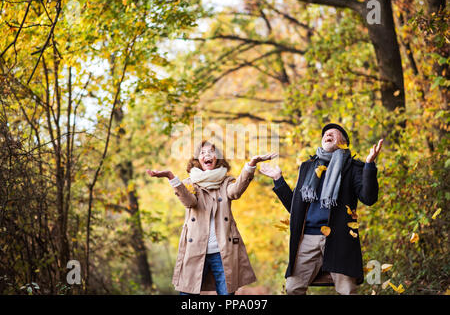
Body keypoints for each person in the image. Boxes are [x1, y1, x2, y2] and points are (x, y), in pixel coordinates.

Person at [260, 123, 383, 295]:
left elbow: (369, 198)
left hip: (339, 237)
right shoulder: (308, 167)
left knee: (347, 290)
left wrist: (369, 165)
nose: (328, 134)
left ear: (344, 142)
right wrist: (278, 180)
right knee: (292, 288)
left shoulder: (353, 167)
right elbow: (295, 208)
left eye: (333, 133)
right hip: (308, 237)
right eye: (325, 133)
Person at [147, 140, 277, 295]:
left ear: (218, 158)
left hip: (222, 252)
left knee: (227, 294)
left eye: (211, 152)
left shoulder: (226, 182)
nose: (207, 155)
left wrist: (251, 164)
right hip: (195, 250)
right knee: (187, 294)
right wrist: (170, 176)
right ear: (197, 160)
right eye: (202, 152)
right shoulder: (189, 183)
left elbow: (235, 192)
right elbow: (190, 202)